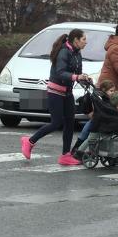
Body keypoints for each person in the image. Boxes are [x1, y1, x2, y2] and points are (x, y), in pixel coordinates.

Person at [20, 29, 90, 166]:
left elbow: (77, 73)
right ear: (76, 40)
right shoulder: (64, 51)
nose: (86, 42)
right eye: (84, 39)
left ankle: (65, 155)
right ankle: (29, 141)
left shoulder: (77, 53)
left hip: (67, 92)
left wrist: (85, 79)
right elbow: (60, 73)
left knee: (70, 123)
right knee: (56, 123)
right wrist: (76, 77)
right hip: (55, 92)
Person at [71, 80, 116, 155]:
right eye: (111, 91)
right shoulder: (99, 98)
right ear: (104, 90)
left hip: (99, 118)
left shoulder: (106, 98)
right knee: (90, 131)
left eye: (114, 91)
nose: (113, 93)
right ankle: (77, 149)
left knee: (90, 131)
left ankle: (81, 149)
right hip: (96, 117)